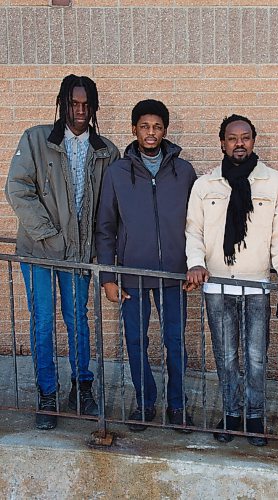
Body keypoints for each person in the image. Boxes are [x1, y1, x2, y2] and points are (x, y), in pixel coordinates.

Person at [6, 74, 120, 430]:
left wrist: (100, 252)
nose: (80, 111)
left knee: (78, 321)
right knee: (42, 321)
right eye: (74, 104)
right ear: (63, 104)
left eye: (86, 105)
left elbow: (107, 208)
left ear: (94, 107)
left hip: (80, 257)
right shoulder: (36, 139)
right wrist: (50, 236)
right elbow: (18, 188)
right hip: (40, 253)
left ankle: (82, 388)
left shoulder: (107, 151)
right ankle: (47, 395)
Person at [185, 114, 278, 446]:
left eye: (245, 137)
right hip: (218, 284)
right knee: (225, 355)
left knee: (256, 355)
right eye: (232, 138)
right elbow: (194, 231)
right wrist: (195, 263)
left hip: (257, 285)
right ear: (222, 142)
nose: (239, 143)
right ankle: (232, 414)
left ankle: (255, 417)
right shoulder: (205, 185)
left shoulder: (275, 182)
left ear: (253, 140)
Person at [95, 99, 197, 432]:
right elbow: (106, 227)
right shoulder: (117, 173)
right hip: (132, 277)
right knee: (136, 343)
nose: (150, 132)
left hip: (173, 277)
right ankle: (144, 403)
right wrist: (109, 276)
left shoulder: (183, 172)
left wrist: (194, 265)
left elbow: (197, 224)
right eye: (144, 126)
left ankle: (178, 405)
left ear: (165, 130)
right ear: (134, 130)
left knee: (175, 343)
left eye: (156, 126)